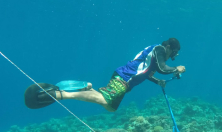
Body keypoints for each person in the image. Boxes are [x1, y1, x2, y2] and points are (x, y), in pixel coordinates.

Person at [25, 38, 185, 112]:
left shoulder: (157, 55)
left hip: (124, 79)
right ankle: (61, 94)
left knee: (110, 108)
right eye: (174, 52)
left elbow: (148, 73)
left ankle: (86, 87)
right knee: (104, 99)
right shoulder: (159, 49)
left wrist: (158, 82)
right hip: (124, 79)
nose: (173, 55)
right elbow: (164, 68)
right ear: (170, 47)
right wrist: (177, 68)